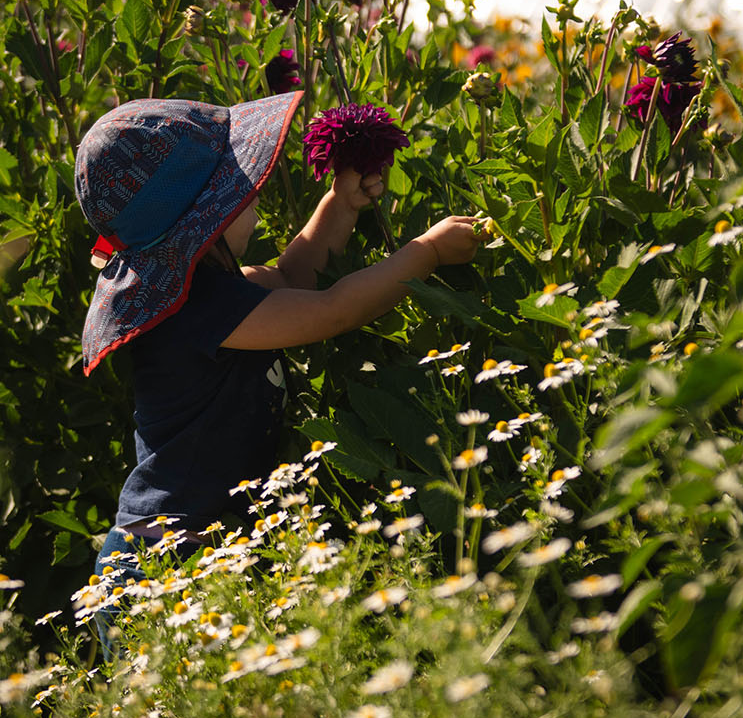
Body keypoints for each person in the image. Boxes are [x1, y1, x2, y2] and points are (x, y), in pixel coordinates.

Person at [73, 92, 482, 648]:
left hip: (185, 551)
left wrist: (341, 203)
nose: (254, 191)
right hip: (168, 563)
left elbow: (293, 276)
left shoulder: (210, 294)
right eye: (239, 188)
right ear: (206, 220)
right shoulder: (200, 312)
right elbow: (331, 310)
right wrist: (425, 253)